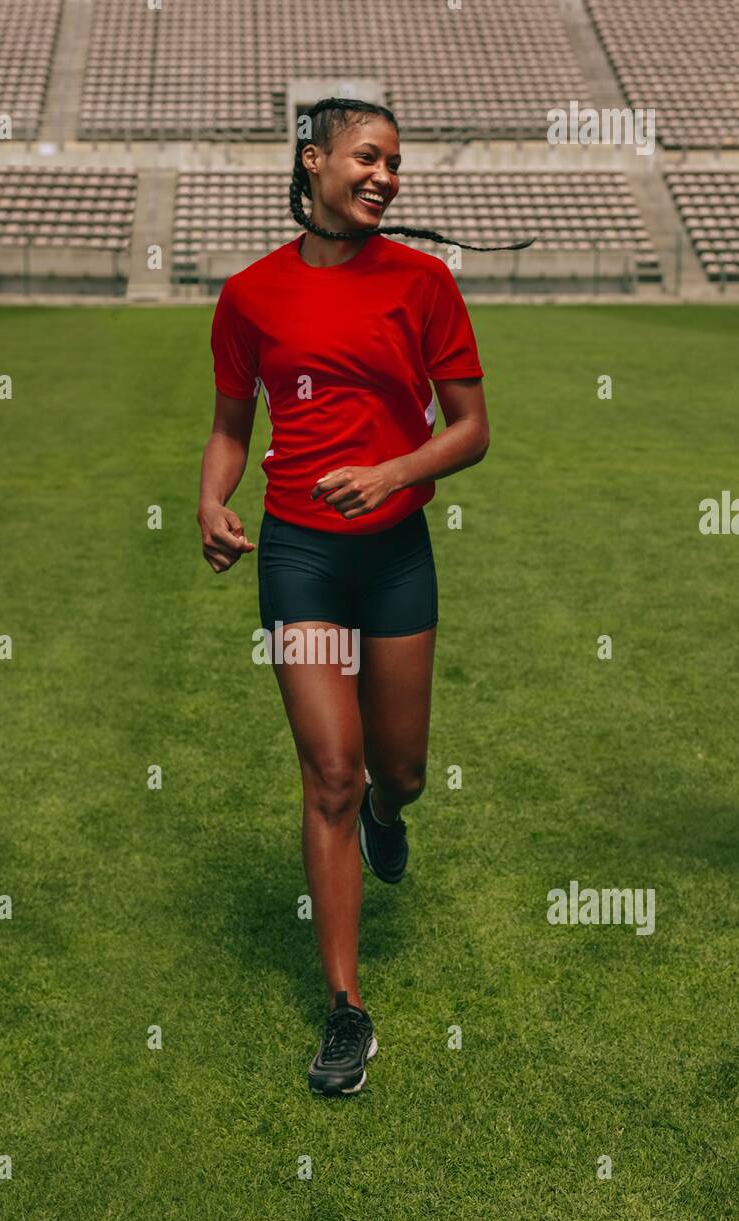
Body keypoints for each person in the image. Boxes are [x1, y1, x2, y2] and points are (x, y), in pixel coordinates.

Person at [199, 96, 508, 1097]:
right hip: (299, 558)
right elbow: (230, 426)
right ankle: (344, 1005)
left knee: (397, 769)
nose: (384, 176)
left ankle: (391, 808)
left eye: (394, 164)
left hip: (394, 555)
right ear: (313, 161)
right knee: (327, 771)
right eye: (367, 158)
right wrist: (211, 499)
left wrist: (391, 472)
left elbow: (469, 428)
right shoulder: (248, 295)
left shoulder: (421, 284)